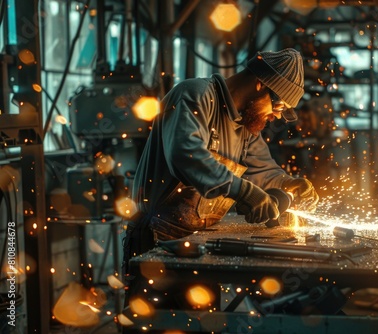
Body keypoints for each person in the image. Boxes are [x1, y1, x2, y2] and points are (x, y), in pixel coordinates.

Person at [122, 49, 319, 305]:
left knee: (202, 323)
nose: (277, 116)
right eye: (279, 105)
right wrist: (244, 192)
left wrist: (287, 183)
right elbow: (185, 155)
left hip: (200, 244)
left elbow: (263, 171)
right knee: (156, 323)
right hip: (158, 242)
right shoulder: (195, 96)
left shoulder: (246, 127)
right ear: (261, 84)